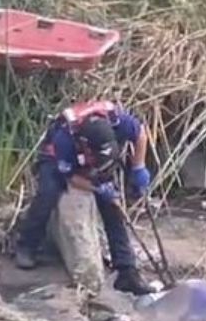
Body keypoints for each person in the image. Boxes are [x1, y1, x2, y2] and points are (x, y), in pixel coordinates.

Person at [13, 99, 155, 296]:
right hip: (56, 159)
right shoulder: (64, 138)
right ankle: (27, 245)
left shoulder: (117, 120)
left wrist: (139, 167)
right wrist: (96, 187)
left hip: (94, 158)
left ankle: (126, 270)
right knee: (48, 194)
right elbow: (70, 177)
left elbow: (140, 134)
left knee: (112, 207)